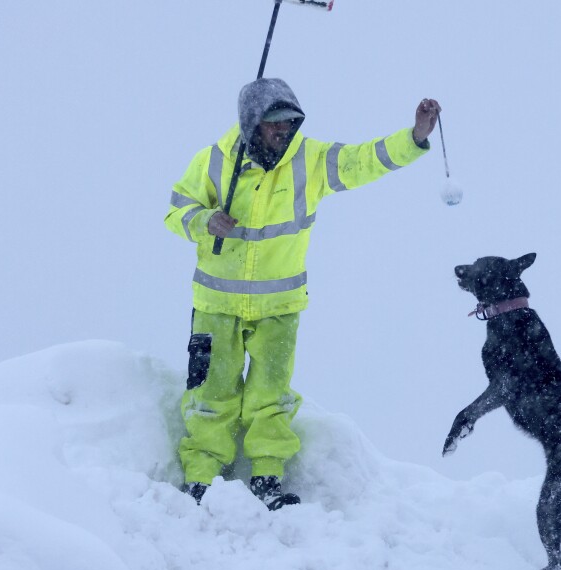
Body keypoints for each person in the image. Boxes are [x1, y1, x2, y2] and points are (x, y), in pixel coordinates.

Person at [166, 78, 440, 509]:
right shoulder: (215, 160)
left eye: (291, 122)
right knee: (211, 396)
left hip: (279, 306)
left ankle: (266, 479)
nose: (284, 130)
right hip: (215, 305)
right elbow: (175, 210)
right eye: (274, 123)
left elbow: (363, 160)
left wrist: (415, 138)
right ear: (252, 124)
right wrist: (204, 221)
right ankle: (201, 480)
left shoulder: (310, 160)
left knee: (270, 398)